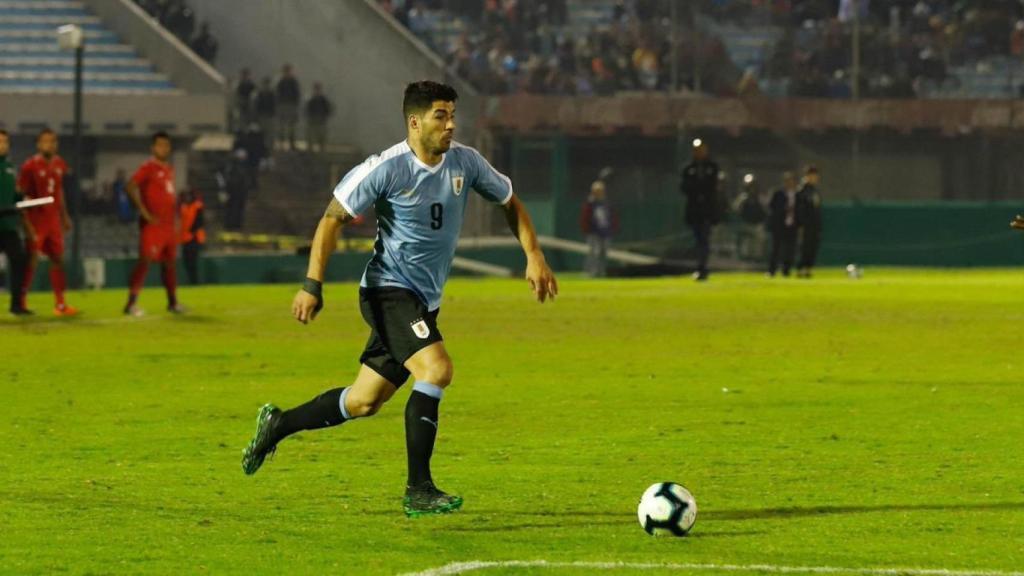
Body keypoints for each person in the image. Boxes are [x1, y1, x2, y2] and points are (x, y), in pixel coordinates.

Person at [240, 80, 559, 517]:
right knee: (437, 368)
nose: (450, 126)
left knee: (363, 401)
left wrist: (534, 255)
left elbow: (510, 201)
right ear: (415, 122)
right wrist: (312, 284)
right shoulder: (386, 168)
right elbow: (331, 220)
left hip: (422, 300)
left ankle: (278, 425)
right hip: (388, 291)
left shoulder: (465, 162)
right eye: (440, 117)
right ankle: (419, 489)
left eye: (452, 116)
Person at [17, 128, 77, 316]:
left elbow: (59, 191)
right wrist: (25, 221)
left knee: (58, 259)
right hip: (36, 219)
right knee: (32, 260)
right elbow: (20, 193)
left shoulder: (59, 164)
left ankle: (60, 304)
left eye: (52, 141)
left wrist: (64, 216)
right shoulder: (30, 166)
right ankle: (21, 301)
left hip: (53, 221)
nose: (49, 145)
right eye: (45, 141)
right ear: (38, 144)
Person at [123, 132, 185, 316]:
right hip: (153, 225)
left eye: (166, 145)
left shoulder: (169, 169)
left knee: (170, 264)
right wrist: (144, 212)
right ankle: (130, 304)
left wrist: (175, 220)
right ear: (153, 148)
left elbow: (169, 196)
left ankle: (173, 303)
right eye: (159, 145)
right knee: (145, 261)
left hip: (168, 225)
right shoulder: (148, 167)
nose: (163, 148)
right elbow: (130, 186)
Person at [0, 129, 32, 315]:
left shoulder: (11, 168)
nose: (2, 145)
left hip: (9, 225)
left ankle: (16, 305)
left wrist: (23, 198)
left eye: (5, 142)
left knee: (19, 261)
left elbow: (15, 194)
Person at [680, 138, 720, 281]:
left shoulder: (712, 167)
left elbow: (711, 187)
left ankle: (702, 267)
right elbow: (685, 188)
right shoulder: (689, 168)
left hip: (707, 210)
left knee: (704, 239)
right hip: (694, 210)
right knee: (698, 240)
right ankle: (700, 265)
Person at [580, 180, 616, 277]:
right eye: (597, 191)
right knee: (594, 253)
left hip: (605, 232)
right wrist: (587, 229)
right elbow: (585, 218)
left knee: (603, 253)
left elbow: (612, 216)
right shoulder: (590, 203)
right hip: (593, 232)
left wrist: (612, 229)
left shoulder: (606, 203)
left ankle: (601, 271)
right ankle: (591, 272)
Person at [768, 171, 799, 277]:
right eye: (787, 181)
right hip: (779, 225)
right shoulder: (778, 193)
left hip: (792, 225)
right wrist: (783, 209)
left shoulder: (797, 194)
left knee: (789, 249)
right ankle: (772, 270)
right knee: (776, 248)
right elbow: (772, 207)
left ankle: (786, 270)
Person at [732, 173, 768, 261]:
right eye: (750, 186)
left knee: (759, 243)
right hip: (744, 225)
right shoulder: (742, 198)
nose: (752, 189)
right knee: (745, 246)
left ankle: (757, 261)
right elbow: (736, 211)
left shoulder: (760, 198)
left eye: (753, 186)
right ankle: (743, 262)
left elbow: (765, 211)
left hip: (757, 225)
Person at [796, 165, 823, 278]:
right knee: (805, 247)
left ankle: (808, 268)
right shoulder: (802, 191)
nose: (815, 178)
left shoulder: (814, 191)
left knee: (812, 246)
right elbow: (799, 209)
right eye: (812, 175)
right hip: (806, 225)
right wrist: (800, 224)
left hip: (814, 225)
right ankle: (800, 268)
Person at [179, 188, 205, 285]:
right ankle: (191, 280)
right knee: (187, 261)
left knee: (193, 261)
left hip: (194, 238)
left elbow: (200, 222)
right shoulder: (184, 207)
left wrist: (192, 232)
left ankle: (195, 281)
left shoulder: (197, 206)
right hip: (185, 238)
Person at [276, 65, 301, 151]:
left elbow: (297, 94)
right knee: (282, 126)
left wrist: (295, 105)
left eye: (288, 71)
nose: (288, 73)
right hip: (283, 105)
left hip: (291, 106)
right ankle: (281, 144)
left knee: (291, 127)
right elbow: (277, 94)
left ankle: (291, 144)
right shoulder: (281, 81)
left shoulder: (293, 81)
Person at [305, 82, 333, 154]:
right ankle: (310, 150)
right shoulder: (311, 99)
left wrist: (325, 116)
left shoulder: (323, 100)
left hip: (321, 120)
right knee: (311, 135)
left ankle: (322, 150)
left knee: (322, 136)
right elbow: (307, 109)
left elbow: (328, 109)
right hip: (313, 120)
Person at [254, 78, 276, 157]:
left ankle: (270, 151)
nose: (266, 86)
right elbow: (257, 106)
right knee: (262, 135)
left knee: (270, 135)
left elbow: (275, 106)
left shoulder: (272, 94)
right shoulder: (260, 94)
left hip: (270, 117)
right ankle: (262, 150)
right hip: (262, 116)